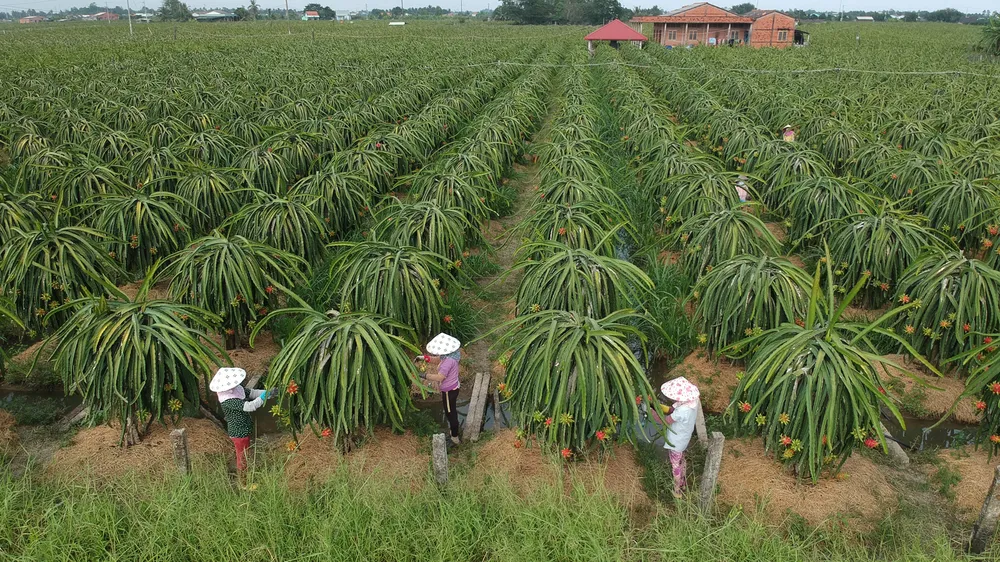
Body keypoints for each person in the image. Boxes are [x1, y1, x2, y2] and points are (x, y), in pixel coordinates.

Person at [210, 367, 270, 475]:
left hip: (243, 428)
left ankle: (245, 475)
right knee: (242, 457)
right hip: (239, 432)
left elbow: (251, 393)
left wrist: (268, 392)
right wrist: (263, 397)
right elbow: (250, 406)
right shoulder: (228, 400)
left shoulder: (235, 390)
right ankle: (243, 481)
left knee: (245, 453)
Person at [659, 377, 700, 498]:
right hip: (685, 437)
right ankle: (683, 483)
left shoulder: (682, 411)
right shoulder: (694, 400)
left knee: (675, 464)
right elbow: (672, 409)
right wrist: (657, 406)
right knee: (682, 459)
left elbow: (667, 421)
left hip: (676, 441)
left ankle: (677, 491)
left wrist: (653, 413)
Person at [419, 332, 462, 445]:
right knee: (451, 411)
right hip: (454, 387)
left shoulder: (447, 363)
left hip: (449, 391)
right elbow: (437, 359)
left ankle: (454, 437)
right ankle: (453, 431)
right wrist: (424, 358)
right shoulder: (451, 355)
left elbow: (439, 377)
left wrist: (424, 375)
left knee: (450, 413)